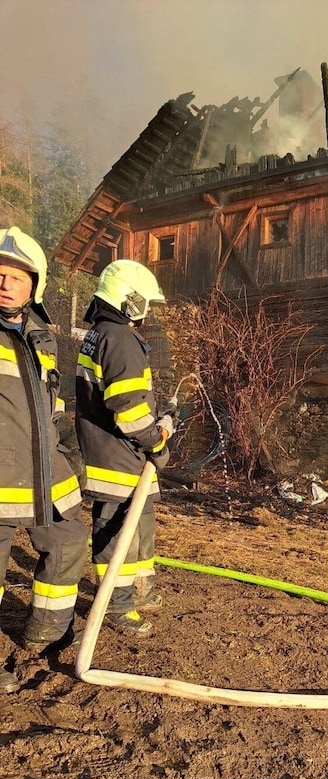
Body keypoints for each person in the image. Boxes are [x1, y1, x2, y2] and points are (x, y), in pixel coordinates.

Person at [0, 227, 87, 694]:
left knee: (70, 541)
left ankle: (46, 636)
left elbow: (54, 411)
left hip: (45, 474)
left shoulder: (42, 339)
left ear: (35, 284)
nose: (5, 282)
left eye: (16, 275)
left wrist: (71, 461)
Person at [75, 260, 174, 636]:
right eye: (145, 304)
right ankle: (116, 606)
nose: (147, 313)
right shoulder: (119, 339)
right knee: (117, 530)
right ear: (130, 300)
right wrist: (158, 437)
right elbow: (130, 416)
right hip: (121, 457)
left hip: (117, 454)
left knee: (140, 524)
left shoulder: (98, 334)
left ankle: (140, 590)